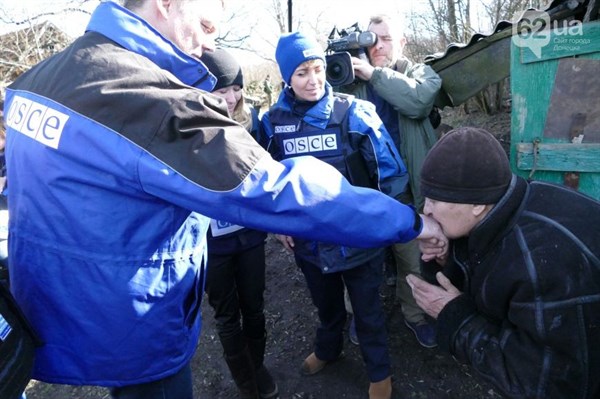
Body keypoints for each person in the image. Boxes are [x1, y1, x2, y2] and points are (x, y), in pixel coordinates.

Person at [3, 1, 447, 399]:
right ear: (165, 4)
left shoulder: (35, 80)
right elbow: (276, 189)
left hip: (50, 321)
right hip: (137, 332)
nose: (213, 30)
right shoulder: (151, 102)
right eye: (204, 14)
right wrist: (410, 223)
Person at [261, 31, 409, 399]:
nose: (313, 80)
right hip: (309, 242)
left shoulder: (355, 113)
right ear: (286, 78)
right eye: (301, 73)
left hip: (358, 239)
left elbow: (390, 175)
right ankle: (329, 350)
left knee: (368, 311)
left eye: (318, 69)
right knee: (326, 307)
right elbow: (266, 181)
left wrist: (383, 225)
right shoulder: (272, 123)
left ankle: (379, 373)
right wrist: (279, 225)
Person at [407, 127, 600, 399]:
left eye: (435, 199)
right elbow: (490, 269)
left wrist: (456, 318)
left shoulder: (541, 266)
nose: (425, 210)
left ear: (476, 204)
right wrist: (446, 257)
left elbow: (543, 384)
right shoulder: (508, 204)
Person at [339, 14, 442, 348]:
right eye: (371, 40)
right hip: (361, 190)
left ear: (403, 42)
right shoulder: (350, 80)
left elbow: (419, 101)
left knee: (411, 257)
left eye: (385, 39)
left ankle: (414, 315)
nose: (377, 47)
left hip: (406, 189)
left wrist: (373, 73)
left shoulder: (419, 73)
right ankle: (359, 315)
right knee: (359, 255)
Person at [199, 48, 277, 399]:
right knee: (227, 315)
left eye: (235, 88)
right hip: (211, 243)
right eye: (220, 91)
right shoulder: (189, 129)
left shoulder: (252, 124)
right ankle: (246, 383)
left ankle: (257, 366)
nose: (230, 98)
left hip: (249, 237)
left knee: (255, 306)